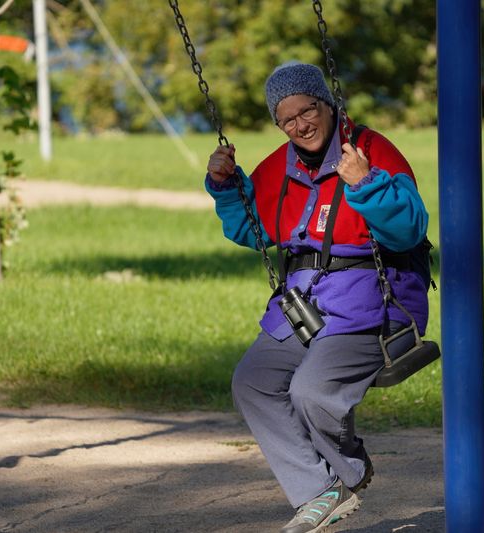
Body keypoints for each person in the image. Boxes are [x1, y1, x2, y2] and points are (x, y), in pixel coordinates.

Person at [204, 62, 432, 533]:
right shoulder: (278, 167)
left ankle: (345, 471)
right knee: (253, 380)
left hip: (373, 304)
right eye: (286, 120)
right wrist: (228, 189)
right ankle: (320, 492)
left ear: (325, 103)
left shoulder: (370, 151)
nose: (299, 125)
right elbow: (254, 230)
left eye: (307, 110)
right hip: (305, 305)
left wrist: (365, 184)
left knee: (313, 392)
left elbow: (410, 229)